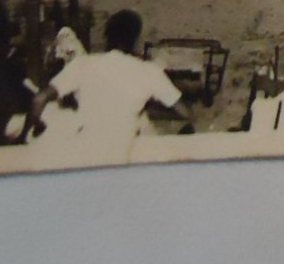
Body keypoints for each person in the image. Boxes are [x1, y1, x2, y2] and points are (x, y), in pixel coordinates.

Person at [15, 9, 185, 165]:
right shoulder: (149, 71)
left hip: (82, 157)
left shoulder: (83, 64)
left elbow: (39, 99)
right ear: (136, 41)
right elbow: (185, 112)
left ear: (106, 36)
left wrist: (23, 137)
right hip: (118, 160)